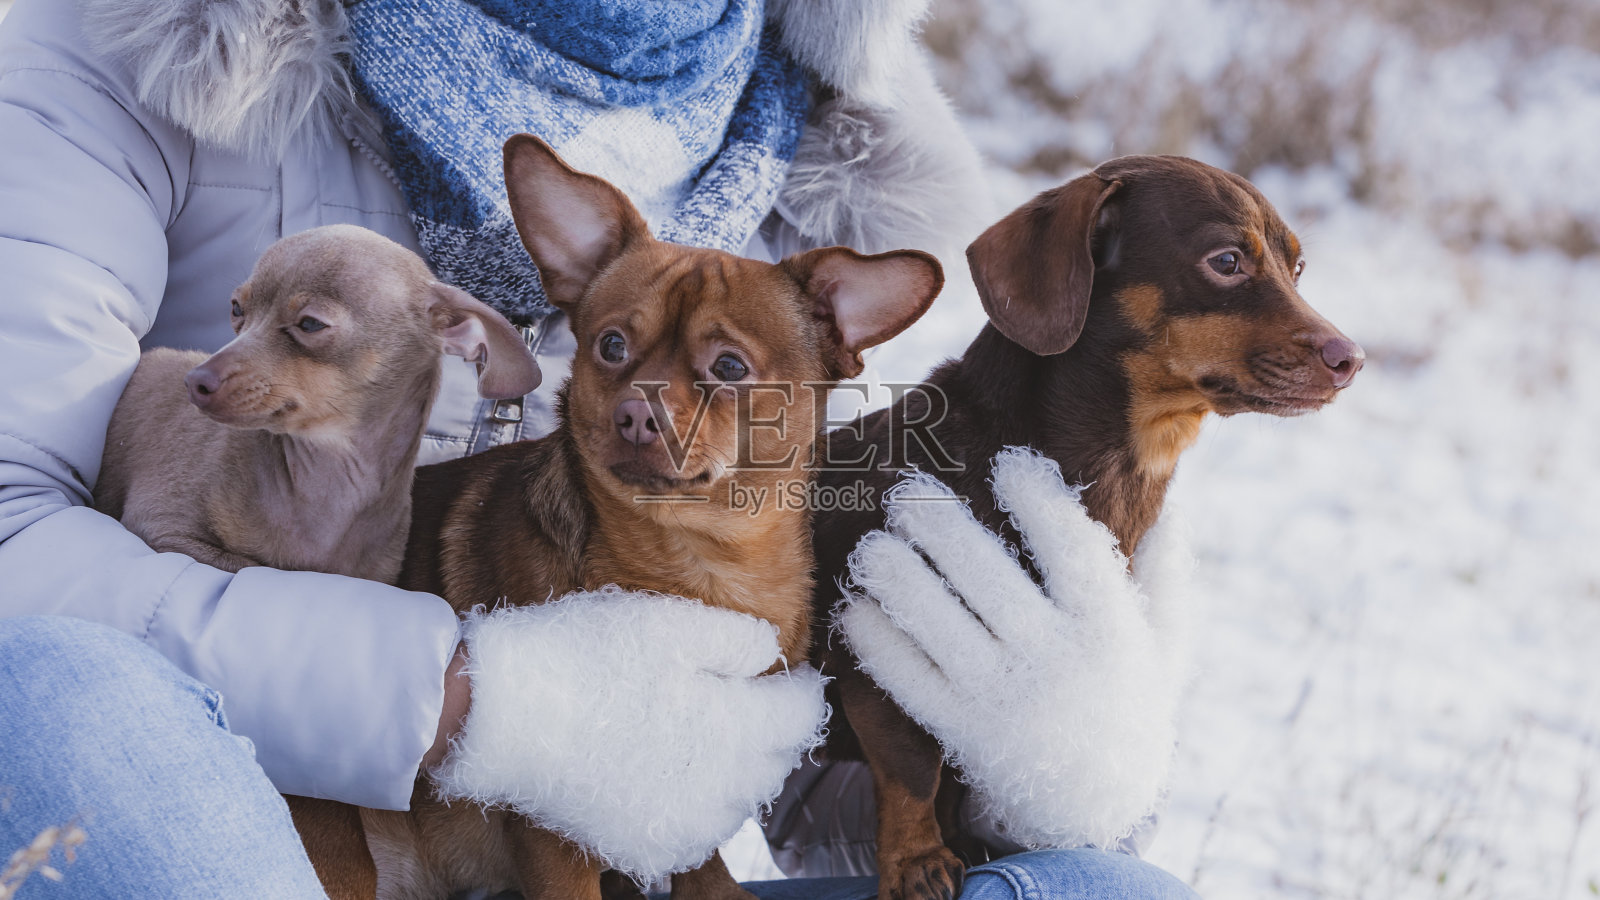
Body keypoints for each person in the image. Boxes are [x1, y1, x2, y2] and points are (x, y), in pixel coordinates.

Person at [0, 0, 1198, 896]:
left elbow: (802, 790)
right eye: (617, 349)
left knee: (1100, 889)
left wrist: (1051, 761)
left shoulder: (849, 181)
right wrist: (470, 699)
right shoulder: (136, 43)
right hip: (248, 831)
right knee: (61, 701)